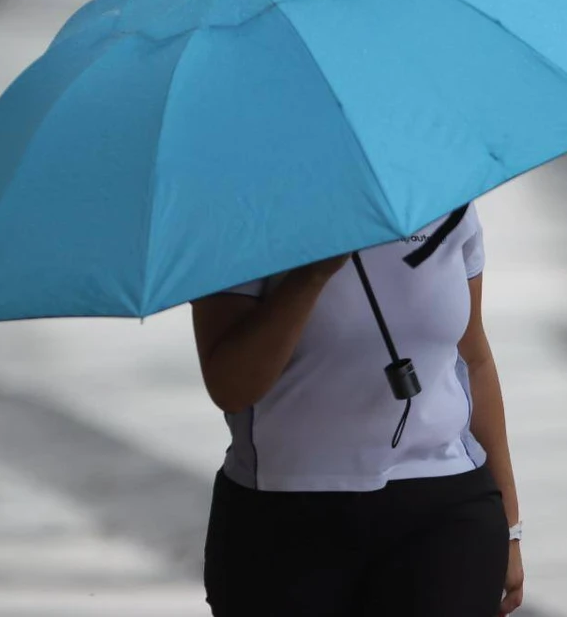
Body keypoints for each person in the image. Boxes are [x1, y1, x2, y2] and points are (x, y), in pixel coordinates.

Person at [191, 203, 524, 616]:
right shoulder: (240, 212)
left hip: (444, 507)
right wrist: (310, 275)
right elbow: (230, 386)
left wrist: (511, 525)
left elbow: (473, 356)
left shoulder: (444, 204)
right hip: (283, 512)